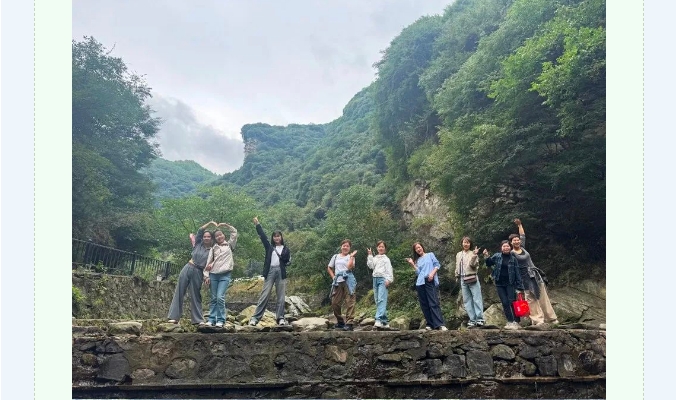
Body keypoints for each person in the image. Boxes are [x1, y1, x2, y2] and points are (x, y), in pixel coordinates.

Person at [509, 218, 559, 327]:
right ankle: (537, 320)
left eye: (517, 240)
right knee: (531, 300)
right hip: (525, 278)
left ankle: (551, 319)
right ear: (511, 243)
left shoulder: (523, 248)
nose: (517, 241)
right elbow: (512, 269)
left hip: (535, 275)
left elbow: (523, 236)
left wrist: (520, 225)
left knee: (543, 297)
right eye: (514, 240)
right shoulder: (512, 254)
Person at [167, 220, 217, 325]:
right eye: (205, 236)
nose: (206, 238)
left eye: (208, 237)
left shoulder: (213, 250)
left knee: (196, 294)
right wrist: (210, 223)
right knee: (180, 290)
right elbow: (200, 230)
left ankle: (198, 319)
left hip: (199, 271)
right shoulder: (198, 243)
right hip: (188, 267)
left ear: (212, 238)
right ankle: (174, 317)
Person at [248, 217, 291, 326]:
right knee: (265, 294)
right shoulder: (270, 247)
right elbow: (263, 237)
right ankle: (255, 318)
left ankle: (280, 318)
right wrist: (257, 225)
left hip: (281, 272)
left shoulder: (285, 249)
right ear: (273, 238)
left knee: (281, 296)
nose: (277, 238)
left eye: (278, 236)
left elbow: (287, 261)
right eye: (275, 236)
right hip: (270, 271)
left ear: (281, 237)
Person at [483, 241, 525, 330]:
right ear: (501, 248)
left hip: (510, 283)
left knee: (512, 302)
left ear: (510, 247)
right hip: (499, 284)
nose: (506, 248)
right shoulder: (497, 256)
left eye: (507, 246)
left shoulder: (513, 259)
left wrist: (519, 287)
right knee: (505, 303)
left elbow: (517, 273)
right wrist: (486, 256)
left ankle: (516, 322)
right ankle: (510, 321)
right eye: (504, 246)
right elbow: (489, 263)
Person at [203, 223, 238, 327]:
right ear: (215, 238)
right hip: (213, 275)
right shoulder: (213, 248)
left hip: (225, 275)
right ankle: (212, 319)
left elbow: (234, 233)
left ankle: (221, 320)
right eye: (217, 236)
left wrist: (226, 225)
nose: (219, 237)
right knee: (214, 298)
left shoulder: (229, 245)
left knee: (220, 297)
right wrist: (206, 276)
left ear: (224, 235)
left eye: (221, 234)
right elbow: (208, 263)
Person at [406, 242, 448, 331]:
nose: (418, 249)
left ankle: (440, 324)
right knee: (424, 304)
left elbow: (437, 265)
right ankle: (430, 324)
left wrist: (432, 274)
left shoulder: (430, 255)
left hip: (429, 280)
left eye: (419, 247)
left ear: (422, 247)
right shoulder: (417, 260)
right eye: (416, 249)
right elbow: (418, 272)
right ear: (415, 251)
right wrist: (412, 264)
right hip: (420, 283)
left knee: (434, 302)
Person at [455, 237, 485, 328]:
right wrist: (456, 275)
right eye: (464, 242)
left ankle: (480, 319)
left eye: (468, 242)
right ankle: (472, 319)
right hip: (462, 278)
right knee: (467, 300)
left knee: (477, 298)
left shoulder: (473, 253)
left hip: (472, 277)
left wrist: (475, 255)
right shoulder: (458, 254)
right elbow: (457, 265)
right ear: (462, 243)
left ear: (470, 244)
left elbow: (474, 265)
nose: (466, 244)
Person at [328, 239, 358, 331]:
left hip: (349, 280)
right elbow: (329, 267)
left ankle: (349, 323)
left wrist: (352, 257)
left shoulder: (351, 257)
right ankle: (340, 322)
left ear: (350, 248)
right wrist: (333, 277)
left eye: (347, 246)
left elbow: (349, 267)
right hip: (338, 281)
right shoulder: (335, 256)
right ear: (341, 247)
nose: (345, 247)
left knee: (350, 302)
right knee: (335, 303)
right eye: (344, 245)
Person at [367, 241, 394, 328]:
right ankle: (385, 321)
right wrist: (370, 255)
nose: (381, 248)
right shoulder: (375, 258)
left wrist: (389, 280)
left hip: (383, 279)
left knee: (381, 299)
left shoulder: (386, 259)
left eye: (382, 247)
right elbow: (371, 266)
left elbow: (389, 270)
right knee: (377, 300)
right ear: (377, 248)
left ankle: (378, 319)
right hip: (375, 279)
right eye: (379, 247)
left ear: (385, 249)